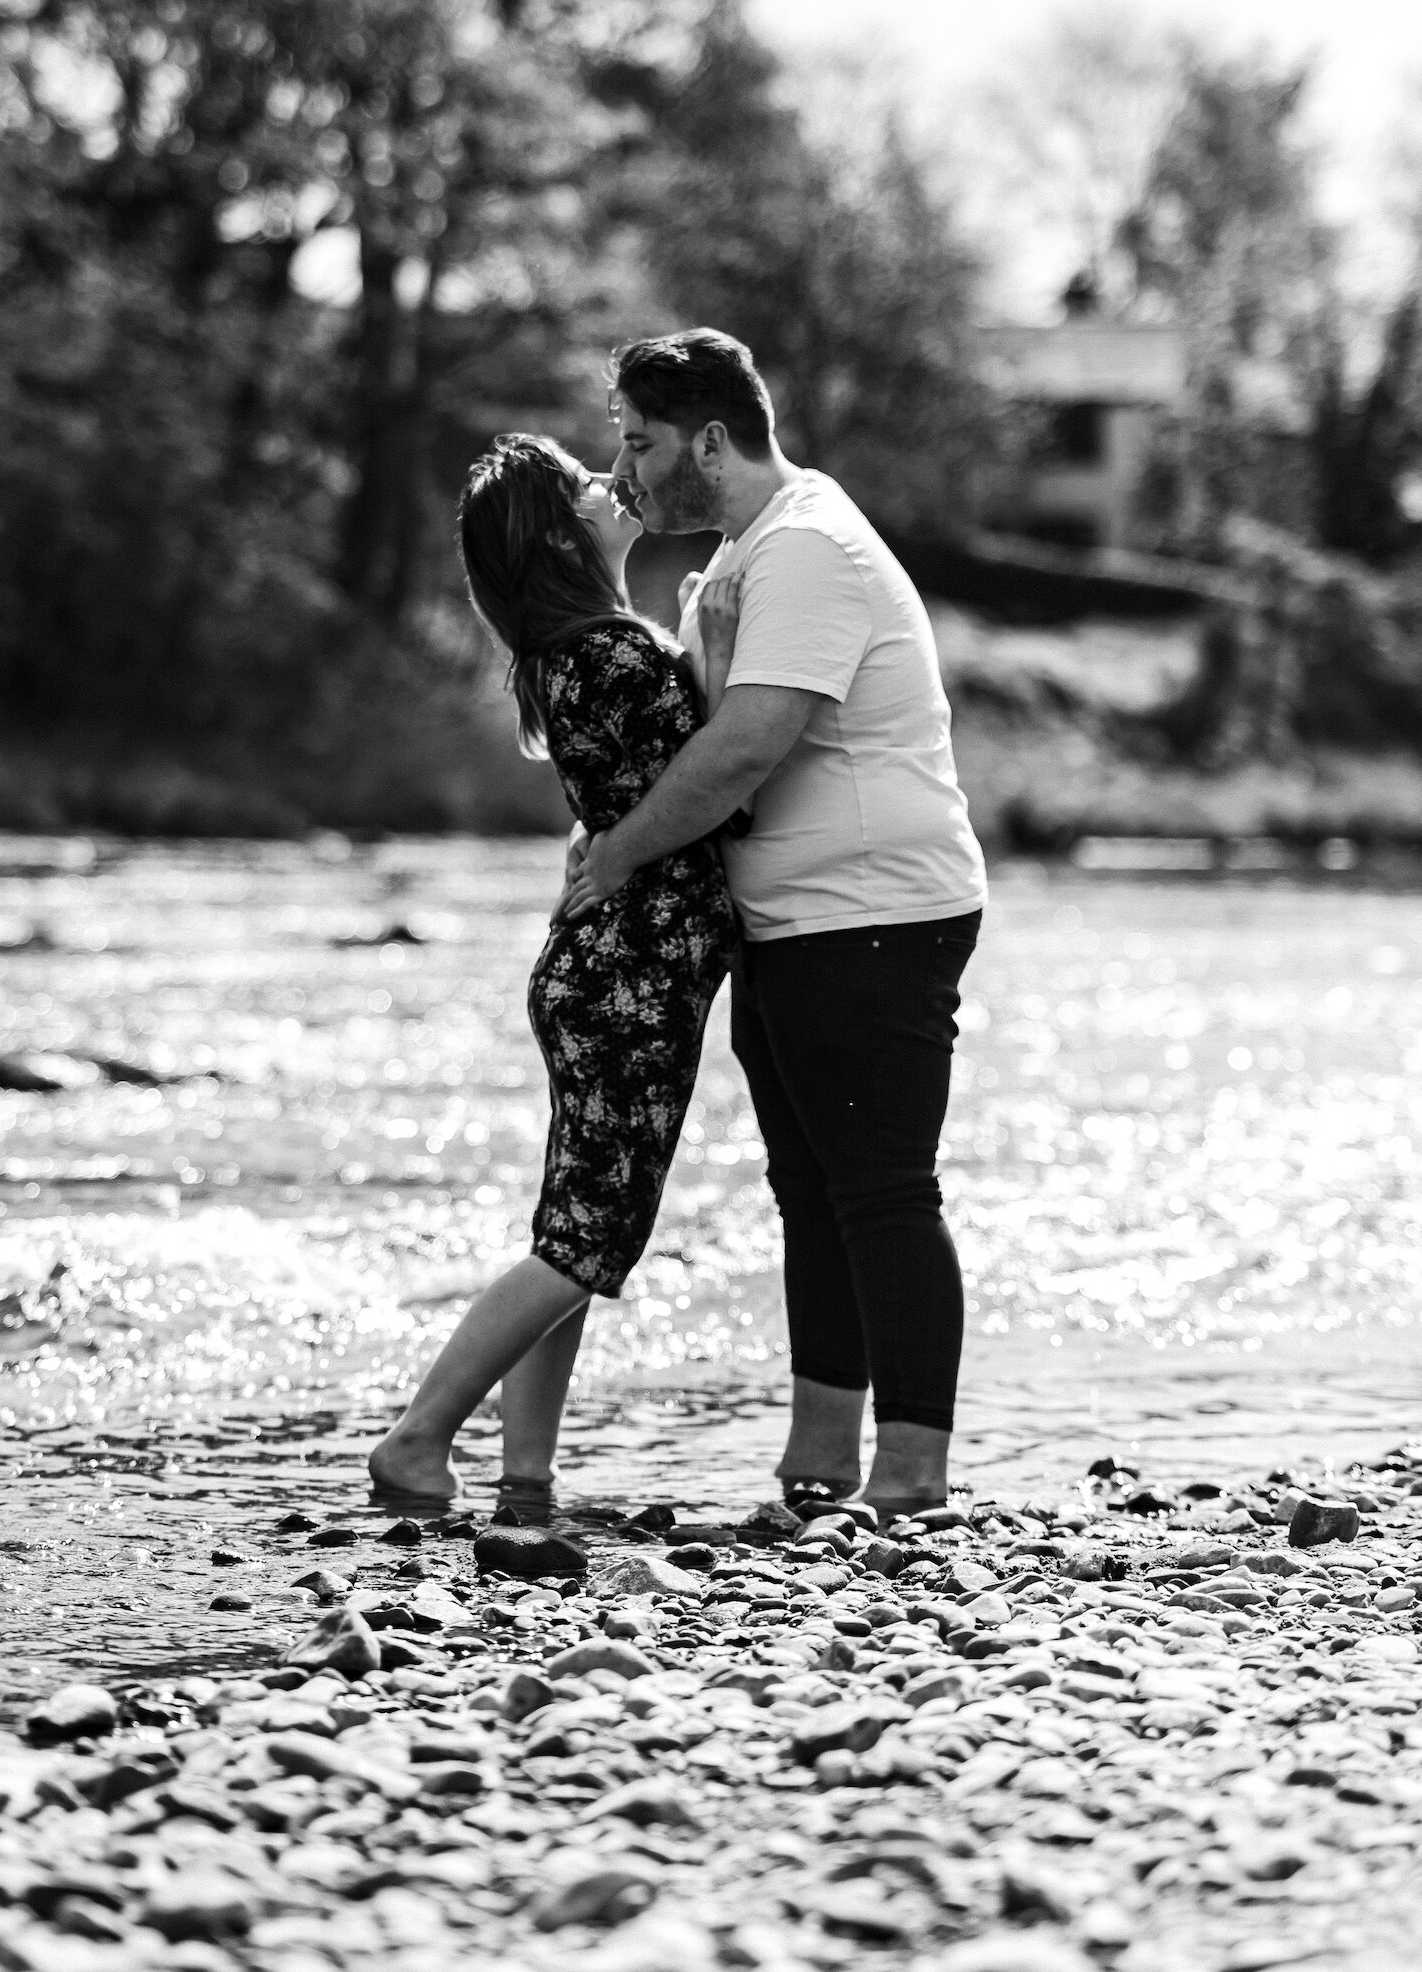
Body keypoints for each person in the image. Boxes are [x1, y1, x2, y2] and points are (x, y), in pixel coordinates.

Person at [561, 328, 986, 1520]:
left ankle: (910, 1472)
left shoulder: (805, 548)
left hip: (873, 912)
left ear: (709, 439)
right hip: (798, 918)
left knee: (883, 1190)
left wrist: (615, 860)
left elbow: (749, 743)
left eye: (638, 444)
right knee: (809, 1187)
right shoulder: (758, 549)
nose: (625, 469)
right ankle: (818, 1462)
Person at [367, 433, 738, 1519]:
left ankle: (523, 1474)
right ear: (563, 533)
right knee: (591, 1240)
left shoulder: (570, 653)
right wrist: (707, 643)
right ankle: (418, 1437)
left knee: (568, 1236)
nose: (606, 483)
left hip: (597, 972)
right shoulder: (616, 655)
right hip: (629, 977)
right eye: (586, 482)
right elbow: (725, 781)